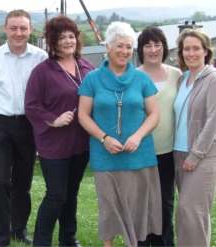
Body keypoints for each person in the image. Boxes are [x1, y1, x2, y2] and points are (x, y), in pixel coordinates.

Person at [78, 21, 162, 247]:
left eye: (128, 47)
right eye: (119, 46)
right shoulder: (92, 79)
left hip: (139, 154)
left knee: (137, 210)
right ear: (107, 46)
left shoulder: (142, 79)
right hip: (105, 155)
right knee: (109, 209)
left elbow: (154, 114)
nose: (125, 51)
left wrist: (137, 136)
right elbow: (83, 115)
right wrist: (104, 138)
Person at [0, 9, 48, 247]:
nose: (19, 33)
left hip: (29, 125)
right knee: (0, 181)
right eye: (14, 28)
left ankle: (19, 230)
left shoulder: (41, 58)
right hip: (0, 125)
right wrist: (1, 115)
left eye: (23, 28)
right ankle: (1, 236)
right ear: (5, 29)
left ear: (31, 30)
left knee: (23, 182)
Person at [24, 15, 95, 247]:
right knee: (56, 195)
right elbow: (32, 105)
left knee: (71, 193)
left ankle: (68, 237)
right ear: (53, 42)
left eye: (71, 36)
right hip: (54, 144)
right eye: (61, 37)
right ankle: (42, 242)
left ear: (77, 39)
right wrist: (53, 120)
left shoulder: (87, 68)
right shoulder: (42, 71)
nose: (67, 41)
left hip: (81, 142)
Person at [173, 28, 216, 246]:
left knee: (191, 210)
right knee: (189, 215)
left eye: (196, 48)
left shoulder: (214, 79)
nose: (191, 53)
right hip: (180, 153)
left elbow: (215, 120)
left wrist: (195, 155)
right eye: (187, 48)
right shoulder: (182, 79)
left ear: (206, 51)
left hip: (204, 154)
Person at [136, 26, 181, 246]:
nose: (153, 49)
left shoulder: (177, 75)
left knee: (164, 205)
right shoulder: (132, 76)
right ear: (140, 49)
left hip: (168, 152)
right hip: (139, 152)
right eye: (147, 45)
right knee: (142, 206)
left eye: (157, 44)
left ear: (164, 47)